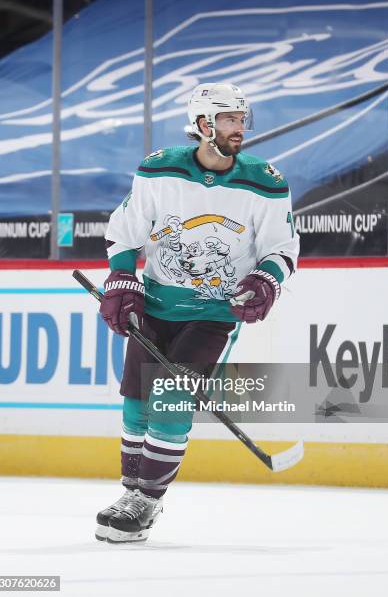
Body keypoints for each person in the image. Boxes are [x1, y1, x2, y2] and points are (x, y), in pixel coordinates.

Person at [96, 83, 299, 543]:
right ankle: (132, 493)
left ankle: (146, 501)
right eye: (229, 120)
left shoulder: (265, 182)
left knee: (169, 400)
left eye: (242, 120)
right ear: (203, 124)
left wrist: (266, 278)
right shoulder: (158, 170)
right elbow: (124, 231)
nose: (239, 129)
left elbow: (283, 248)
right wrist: (123, 276)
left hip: (213, 313)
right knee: (136, 405)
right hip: (156, 304)